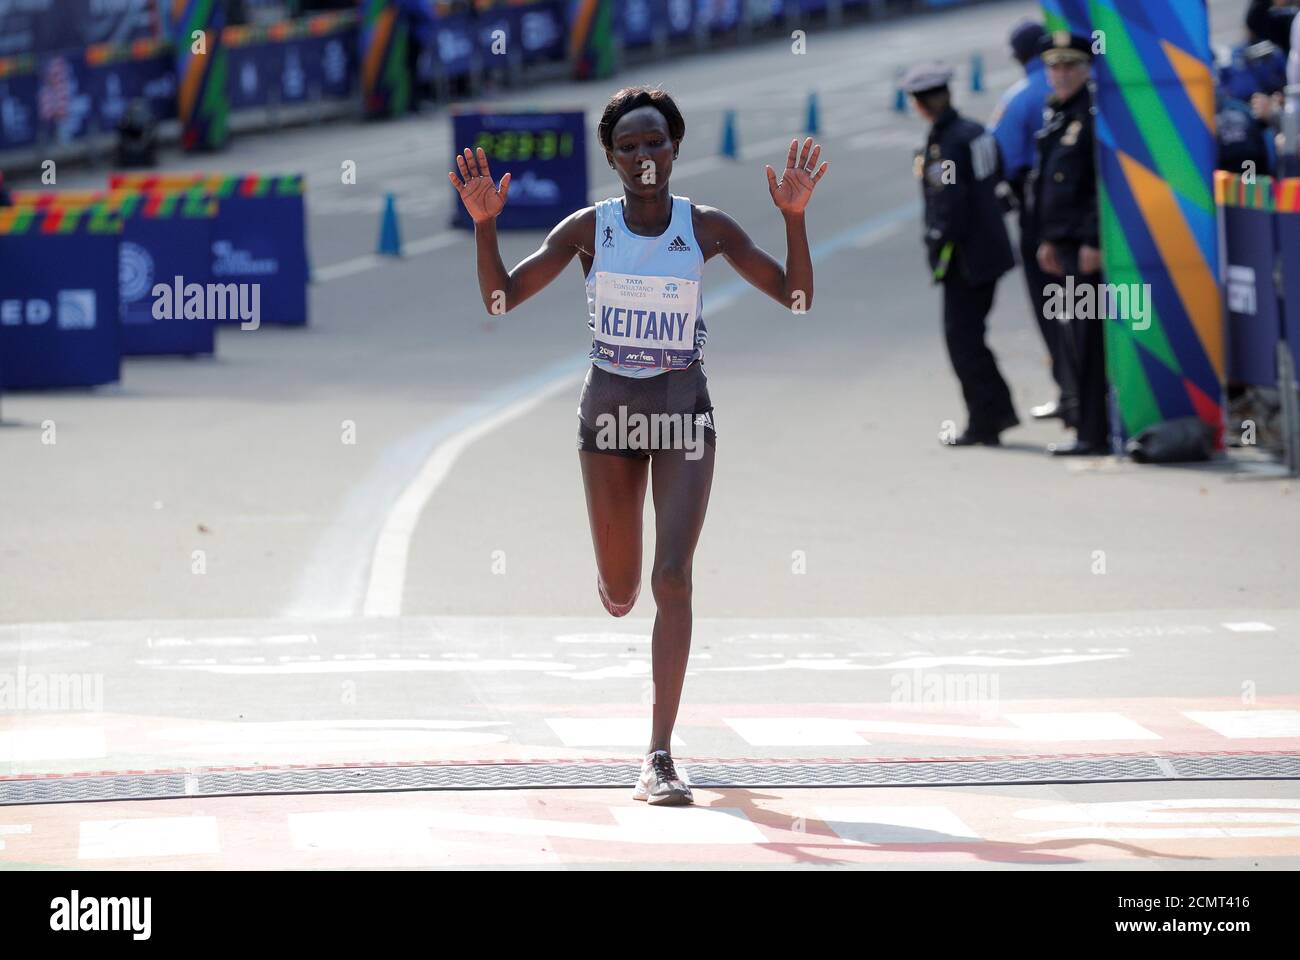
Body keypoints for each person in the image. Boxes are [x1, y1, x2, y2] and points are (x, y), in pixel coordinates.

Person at [447, 86, 827, 806]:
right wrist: (485, 228)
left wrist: (794, 219)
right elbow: (499, 301)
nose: (644, 157)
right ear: (612, 158)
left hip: (684, 415)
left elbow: (797, 299)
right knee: (624, 594)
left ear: (676, 148)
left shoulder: (705, 228)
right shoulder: (589, 230)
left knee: (673, 578)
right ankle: (614, 581)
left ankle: (658, 755)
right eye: (629, 147)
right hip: (611, 424)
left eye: (655, 143)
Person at [904, 61, 1019, 447]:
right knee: (972, 337)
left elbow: (949, 203)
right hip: (991, 250)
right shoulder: (976, 132)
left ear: (919, 105)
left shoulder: (945, 145)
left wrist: (936, 243)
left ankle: (987, 420)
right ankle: (997, 410)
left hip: (967, 260)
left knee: (963, 342)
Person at [990, 18, 1074, 424]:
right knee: (1082, 306)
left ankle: (1069, 391)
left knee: (1051, 308)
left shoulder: (1020, 96)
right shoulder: (1074, 89)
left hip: (1037, 215)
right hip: (1079, 219)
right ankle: (1089, 392)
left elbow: (998, 159)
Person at [1027, 33, 1108, 457]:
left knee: (1089, 340)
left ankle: (1093, 433)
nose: (1060, 74)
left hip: (1086, 248)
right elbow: (1050, 188)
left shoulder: (1092, 116)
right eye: (1054, 67)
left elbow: (1100, 184)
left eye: (1069, 66)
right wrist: (1047, 240)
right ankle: (1083, 422)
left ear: (1086, 69)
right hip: (1064, 245)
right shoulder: (1058, 114)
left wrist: (1094, 240)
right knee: (1074, 337)